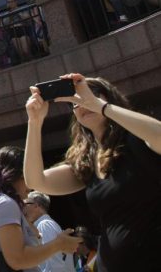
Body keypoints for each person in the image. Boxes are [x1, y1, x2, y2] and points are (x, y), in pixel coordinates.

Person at [24, 74, 161, 270]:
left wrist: (99, 106)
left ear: (107, 99)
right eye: (75, 101)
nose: (82, 104)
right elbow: (36, 181)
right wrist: (34, 122)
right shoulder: (86, 163)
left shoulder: (137, 139)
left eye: (89, 96)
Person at [0, 146, 80, 272]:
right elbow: (18, 259)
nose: (31, 185)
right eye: (28, 176)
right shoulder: (4, 204)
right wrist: (58, 244)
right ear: (15, 174)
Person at [22, 192, 73, 272]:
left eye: (25, 204)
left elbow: (53, 264)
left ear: (36, 205)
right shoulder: (45, 224)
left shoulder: (44, 225)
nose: (22, 208)